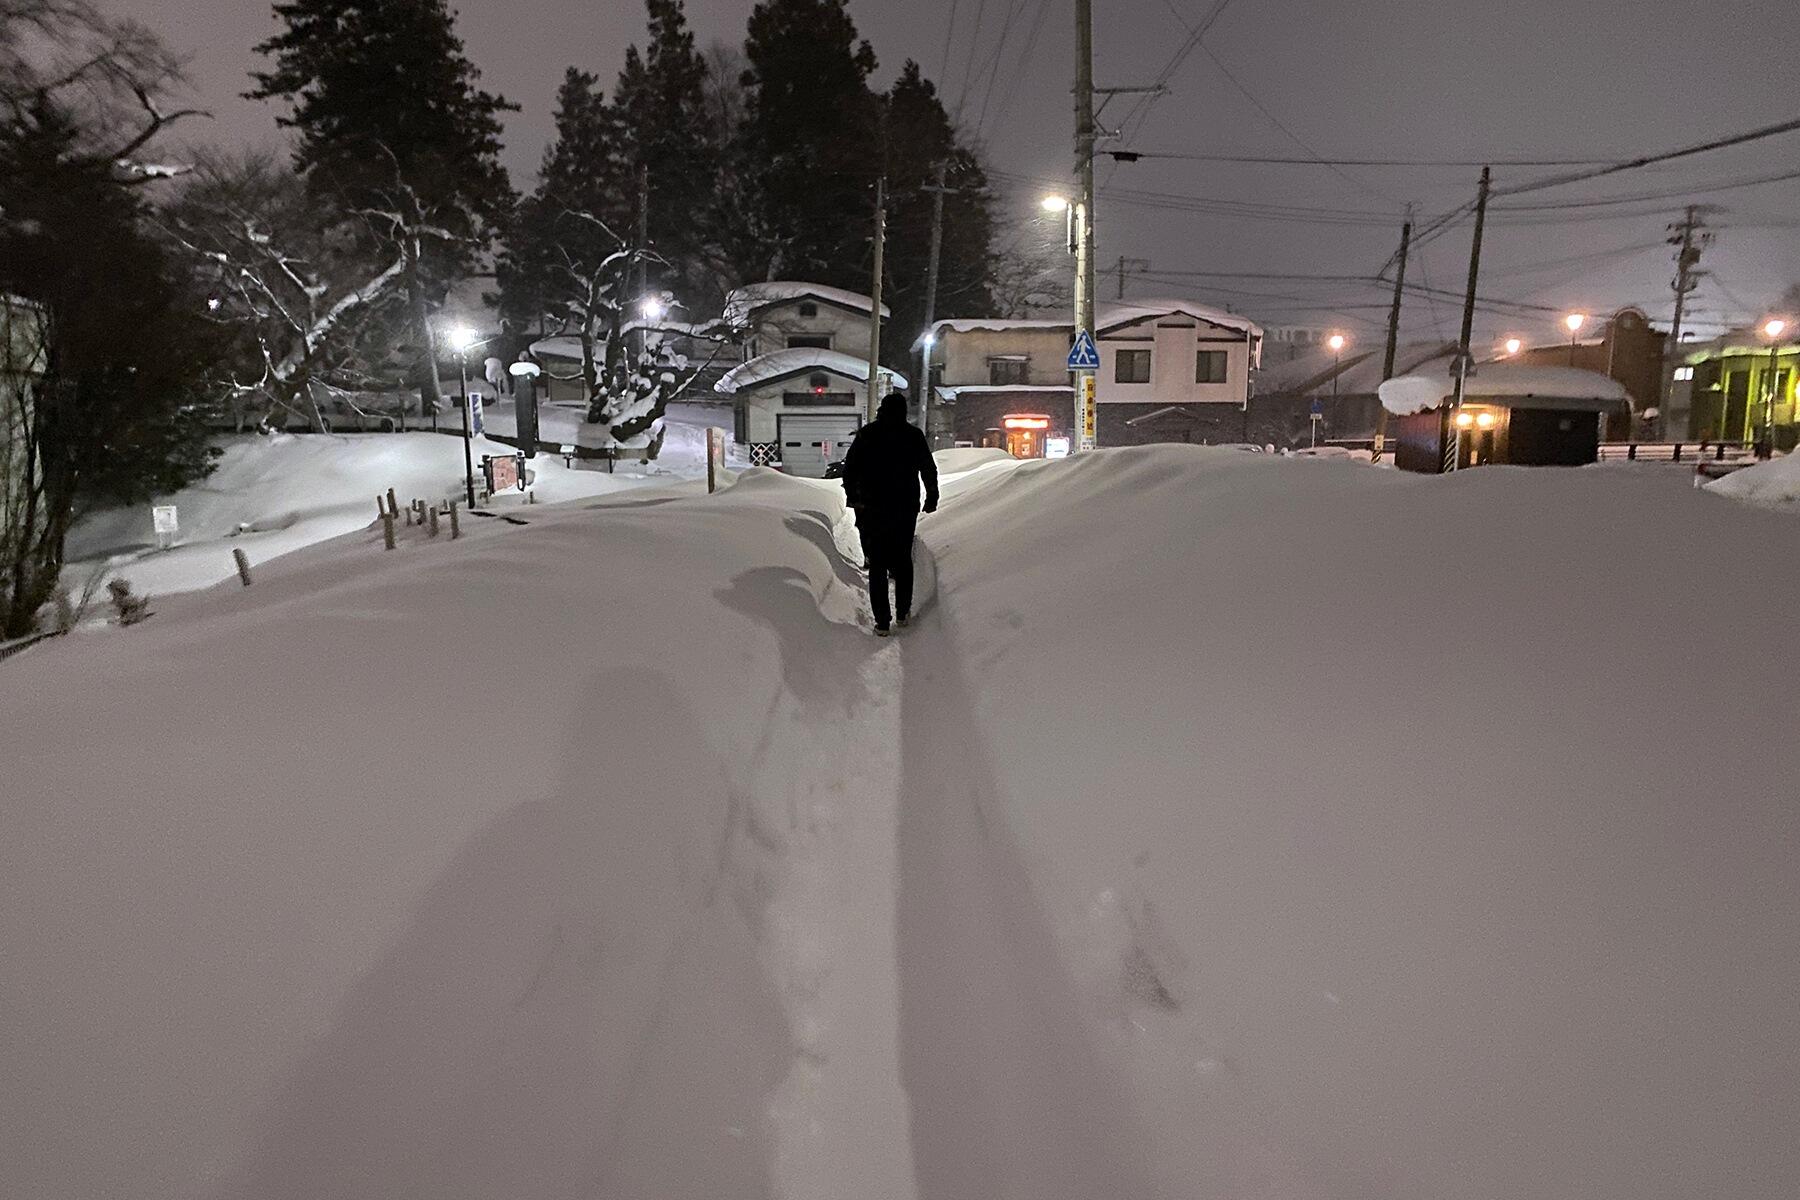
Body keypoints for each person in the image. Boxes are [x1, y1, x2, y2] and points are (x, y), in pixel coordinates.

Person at [841, 392, 938, 636]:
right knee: (903, 559)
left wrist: (853, 496)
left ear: (881, 410)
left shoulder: (868, 434)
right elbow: (928, 468)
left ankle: (882, 622)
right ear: (904, 411)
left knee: (878, 563)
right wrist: (932, 496)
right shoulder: (913, 435)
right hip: (905, 506)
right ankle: (903, 612)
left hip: (873, 507)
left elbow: (850, 468)